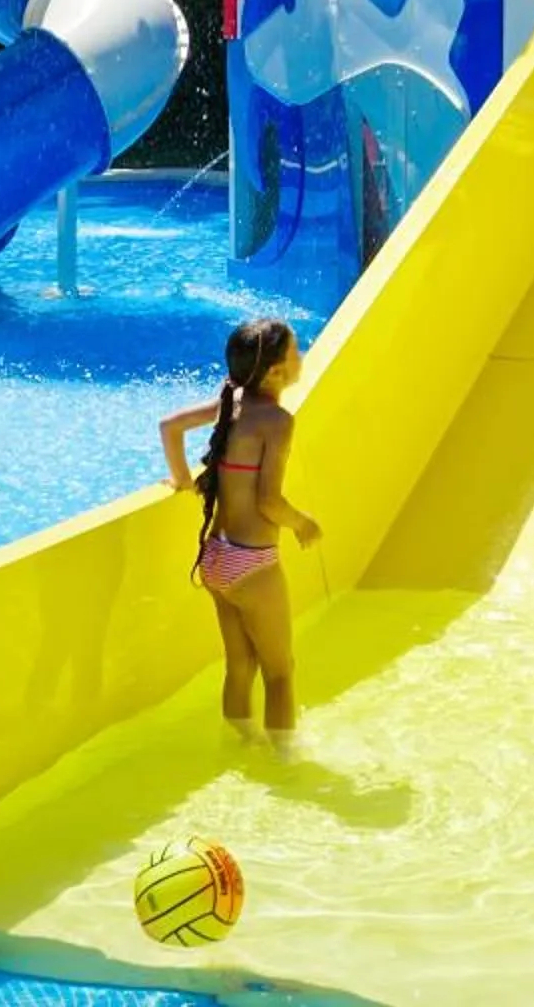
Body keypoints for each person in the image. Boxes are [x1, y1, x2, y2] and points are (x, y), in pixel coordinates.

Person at [161, 317, 322, 755]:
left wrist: (182, 480)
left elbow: (169, 427)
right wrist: (303, 524)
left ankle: (240, 742)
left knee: (239, 664)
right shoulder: (277, 421)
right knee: (280, 671)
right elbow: (269, 501)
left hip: (214, 557)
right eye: (294, 352)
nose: (300, 357)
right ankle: (285, 761)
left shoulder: (229, 401)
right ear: (275, 371)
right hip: (251, 563)